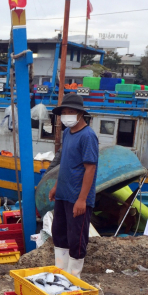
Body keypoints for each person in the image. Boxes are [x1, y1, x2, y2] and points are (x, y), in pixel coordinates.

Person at [48, 93, 99, 278]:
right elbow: (66, 163)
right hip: (63, 194)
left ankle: (74, 277)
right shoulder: (67, 133)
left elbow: (90, 169)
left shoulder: (88, 136)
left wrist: (82, 200)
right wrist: (56, 186)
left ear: (80, 114)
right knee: (59, 234)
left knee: (76, 238)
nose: (66, 115)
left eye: (71, 112)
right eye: (64, 112)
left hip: (78, 196)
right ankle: (60, 274)